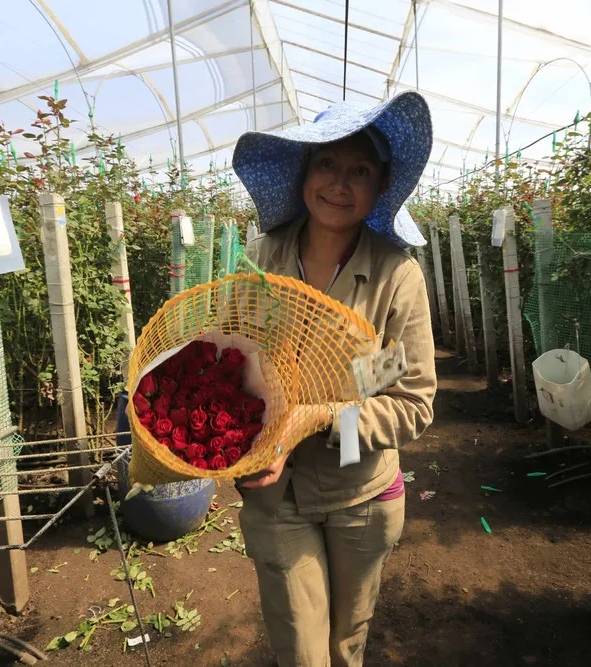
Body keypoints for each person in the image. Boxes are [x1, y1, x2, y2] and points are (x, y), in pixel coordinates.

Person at [230, 91, 438, 667]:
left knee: (348, 642)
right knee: (301, 647)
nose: (339, 183)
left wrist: (321, 417)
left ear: (379, 188)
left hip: (360, 493)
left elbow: (413, 399)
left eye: (359, 170)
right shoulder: (262, 257)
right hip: (276, 494)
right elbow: (232, 362)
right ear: (303, 174)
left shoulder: (397, 276)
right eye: (327, 164)